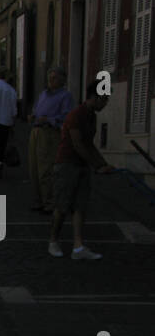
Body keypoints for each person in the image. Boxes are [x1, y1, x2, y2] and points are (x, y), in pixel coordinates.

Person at [49, 80, 113, 260]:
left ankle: (78, 247)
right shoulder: (75, 115)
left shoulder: (92, 116)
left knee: (80, 206)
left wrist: (103, 163)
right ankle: (53, 240)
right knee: (62, 205)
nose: (106, 103)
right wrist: (97, 166)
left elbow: (89, 144)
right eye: (104, 99)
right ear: (94, 97)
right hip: (66, 164)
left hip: (82, 165)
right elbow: (78, 144)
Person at [27, 67, 74, 214]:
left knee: (46, 169)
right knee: (34, 168)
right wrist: (33, 116)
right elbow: (36, 109)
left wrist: (49, 119)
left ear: (62, 80)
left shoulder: (65, 96)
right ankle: (38, 200)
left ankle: (49, 202)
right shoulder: (43, 94)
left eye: (54, 78)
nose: (50, 80)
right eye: (50, 77)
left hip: (49, 133)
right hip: (36, 131)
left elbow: (66, 116)